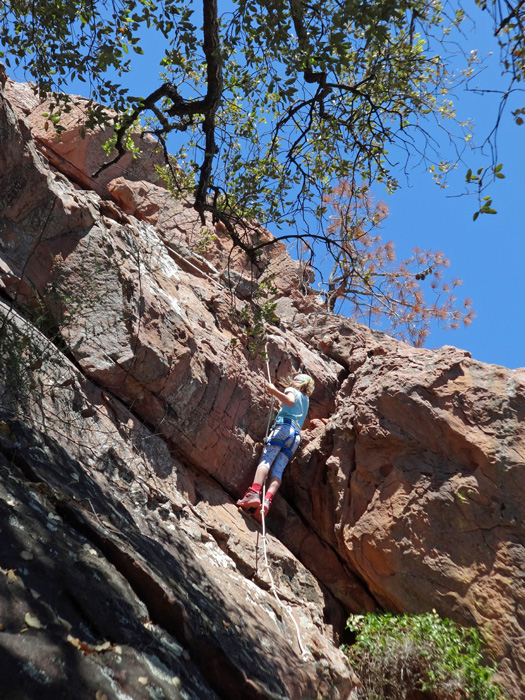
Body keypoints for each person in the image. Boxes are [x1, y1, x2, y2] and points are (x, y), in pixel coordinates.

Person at [237, 373, 315, 521]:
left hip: (283, 428)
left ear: (296, 382)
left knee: (266, 460)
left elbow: (290, 401)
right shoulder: (306, 400)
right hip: (295, 436)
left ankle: (254, 493)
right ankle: (267, 501)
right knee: (278, 470)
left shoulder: (292, 391)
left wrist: (273, 391)